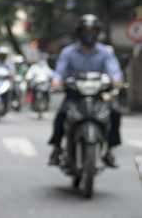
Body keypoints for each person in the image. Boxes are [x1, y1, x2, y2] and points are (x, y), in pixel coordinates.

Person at [48, 14, 124, 168]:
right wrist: (56, 80)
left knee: (115, 114)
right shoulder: (68, 52)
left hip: (97, 95)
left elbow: (114, 70)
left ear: (98, 32)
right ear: (79, 32)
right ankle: (56, 149)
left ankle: (109, 152)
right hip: (75, 96)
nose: (89, 34)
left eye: (92, 30)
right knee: (61, 114)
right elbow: (59, 71)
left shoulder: (105, 52)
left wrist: (117, 80)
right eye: (85, 31)